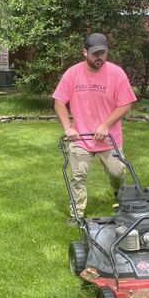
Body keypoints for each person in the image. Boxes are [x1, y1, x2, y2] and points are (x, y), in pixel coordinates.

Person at [52, 32, 137, 222]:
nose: (100, 58)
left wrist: (106, 125)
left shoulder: (116, 73)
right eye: (95, 54)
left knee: (117, 173)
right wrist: (68, 128)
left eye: (103, 53)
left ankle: (119, 193)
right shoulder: (73, 73)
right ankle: (77, 214)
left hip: (108, 137)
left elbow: (126, 104)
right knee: (77, 175)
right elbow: (59, 101)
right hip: (80, 137)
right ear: (85, 52)